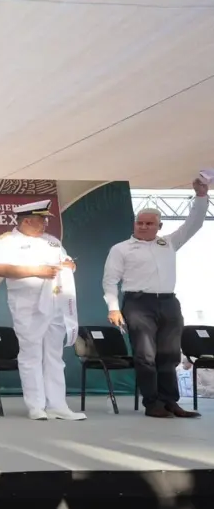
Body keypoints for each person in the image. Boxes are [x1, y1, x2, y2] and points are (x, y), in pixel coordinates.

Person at [102, 176, 209, 418]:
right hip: (138, 303)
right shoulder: (121, 249)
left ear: (159, 226)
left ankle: (170, 401)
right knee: (145, 355)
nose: (143, 227)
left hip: (169, 302)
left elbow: (194, 223)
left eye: (149, 224)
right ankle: (152, 403)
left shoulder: (169, 243)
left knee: (170, 354)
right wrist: (113, 307)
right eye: (140, 223)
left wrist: (201, 197)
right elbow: (110, 280)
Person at [0, 200, 86, 421]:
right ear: (27, 220)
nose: (45, 224)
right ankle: (36, 405)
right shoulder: (7, 241)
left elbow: (66, 261)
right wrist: (37, 271)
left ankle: (58, 405)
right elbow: (0, 268)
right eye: (42, 219)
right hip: (28, 305)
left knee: (54, 354)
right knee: (31, 354)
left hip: (56, 301)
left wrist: (70, 265)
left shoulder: (51, 241)